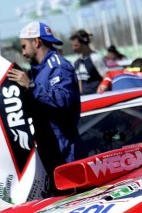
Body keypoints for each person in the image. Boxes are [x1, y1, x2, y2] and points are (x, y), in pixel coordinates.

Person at [7, 21, 84, 187]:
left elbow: (62, 100)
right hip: (46, 147)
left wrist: (31, 86)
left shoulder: (58, 65)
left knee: (73, 197)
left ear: (36, 42)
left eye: (24, 46)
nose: (23, 52)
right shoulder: (36, 70)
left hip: (65, 149)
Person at [70, 29, 108, 95]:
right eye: (72, 46)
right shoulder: (77, 61)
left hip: (97, 97)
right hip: (85, 99)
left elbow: (106, 77)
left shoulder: (95, 58)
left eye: (76, 45)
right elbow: (79, 82)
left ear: (83, 44)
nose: (73, 48)